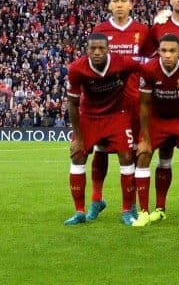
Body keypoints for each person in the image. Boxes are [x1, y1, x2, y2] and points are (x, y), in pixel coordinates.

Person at [87, 0, 154, 221]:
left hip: (133, 100)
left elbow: (149, 62)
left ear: (131, 4)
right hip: (106, 102)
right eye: (115, 0)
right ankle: (96, 199)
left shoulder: (142, 31)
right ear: (109, 4)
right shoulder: (100, 30)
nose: (119, 4)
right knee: (101, 149)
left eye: (123, 0)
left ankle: (130, 207)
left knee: (132, 154)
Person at [64, 32, 140, 226]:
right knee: (78, 155)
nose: (97, 52)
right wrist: (78, 139)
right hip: (89, 117)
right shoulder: (76, 68)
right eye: (92, 49)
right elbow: (72, 104)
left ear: (108, 49)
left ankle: (126, 211)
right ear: (86, 50)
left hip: (117, 115)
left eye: (101, 48)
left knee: (127, 157)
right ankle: (79, 211)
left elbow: (148, 68)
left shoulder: (122, 62)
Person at [132, 34, 179, 228]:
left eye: (172, 51)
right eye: (164, 51)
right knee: (143, 154)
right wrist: (145, 139)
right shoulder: (149, 69)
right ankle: (147, 212)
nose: (167, 55)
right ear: (158, 52)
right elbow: (144, 105)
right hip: (157, 119)